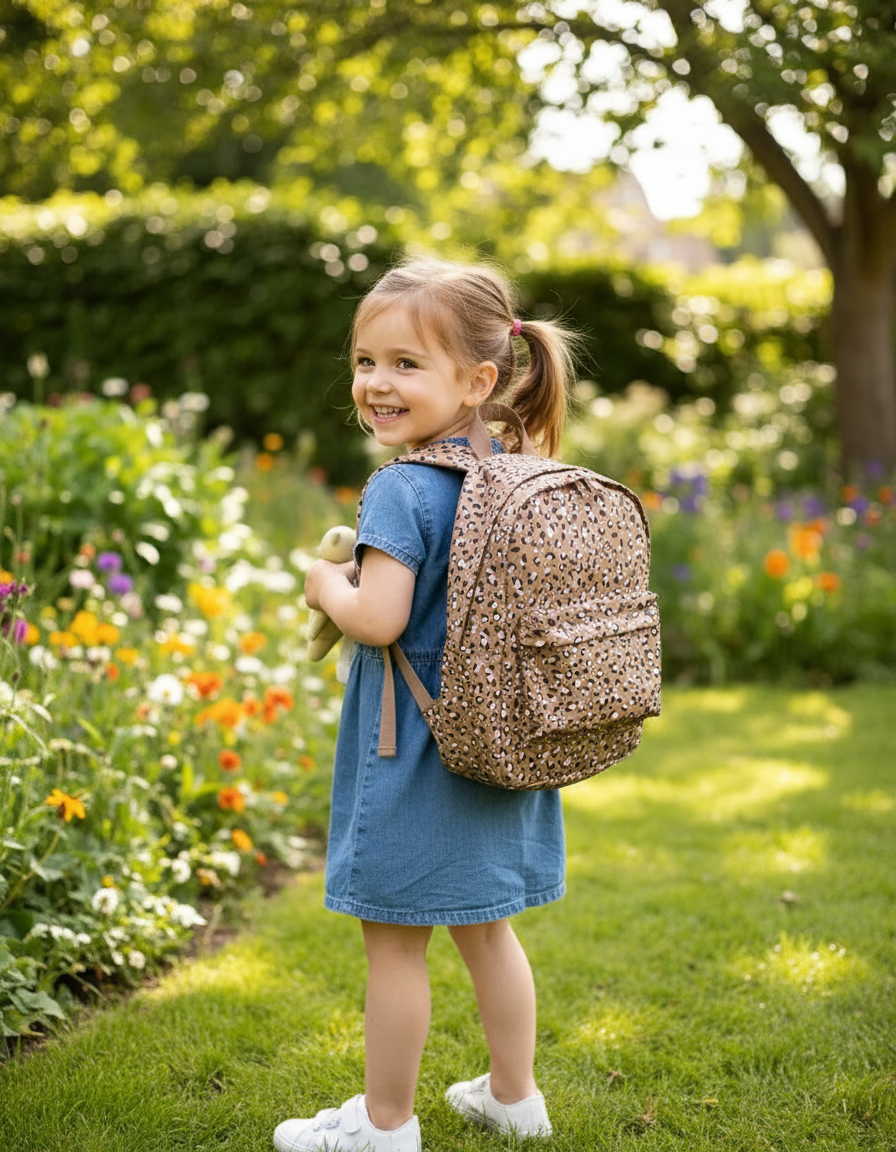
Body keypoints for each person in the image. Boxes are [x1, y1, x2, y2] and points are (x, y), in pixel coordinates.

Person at [274, 257, 579, 1152]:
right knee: (488, 930)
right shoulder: (513, 473)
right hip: (499, 741)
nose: (376, 382)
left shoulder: (405, 487)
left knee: (395, 943)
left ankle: (384, 1125)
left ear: (478, 380)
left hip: (411, 751)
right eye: (365, 361)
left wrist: (327, 582)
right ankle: (515, 1098)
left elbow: (380, 618)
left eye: (406, 363)